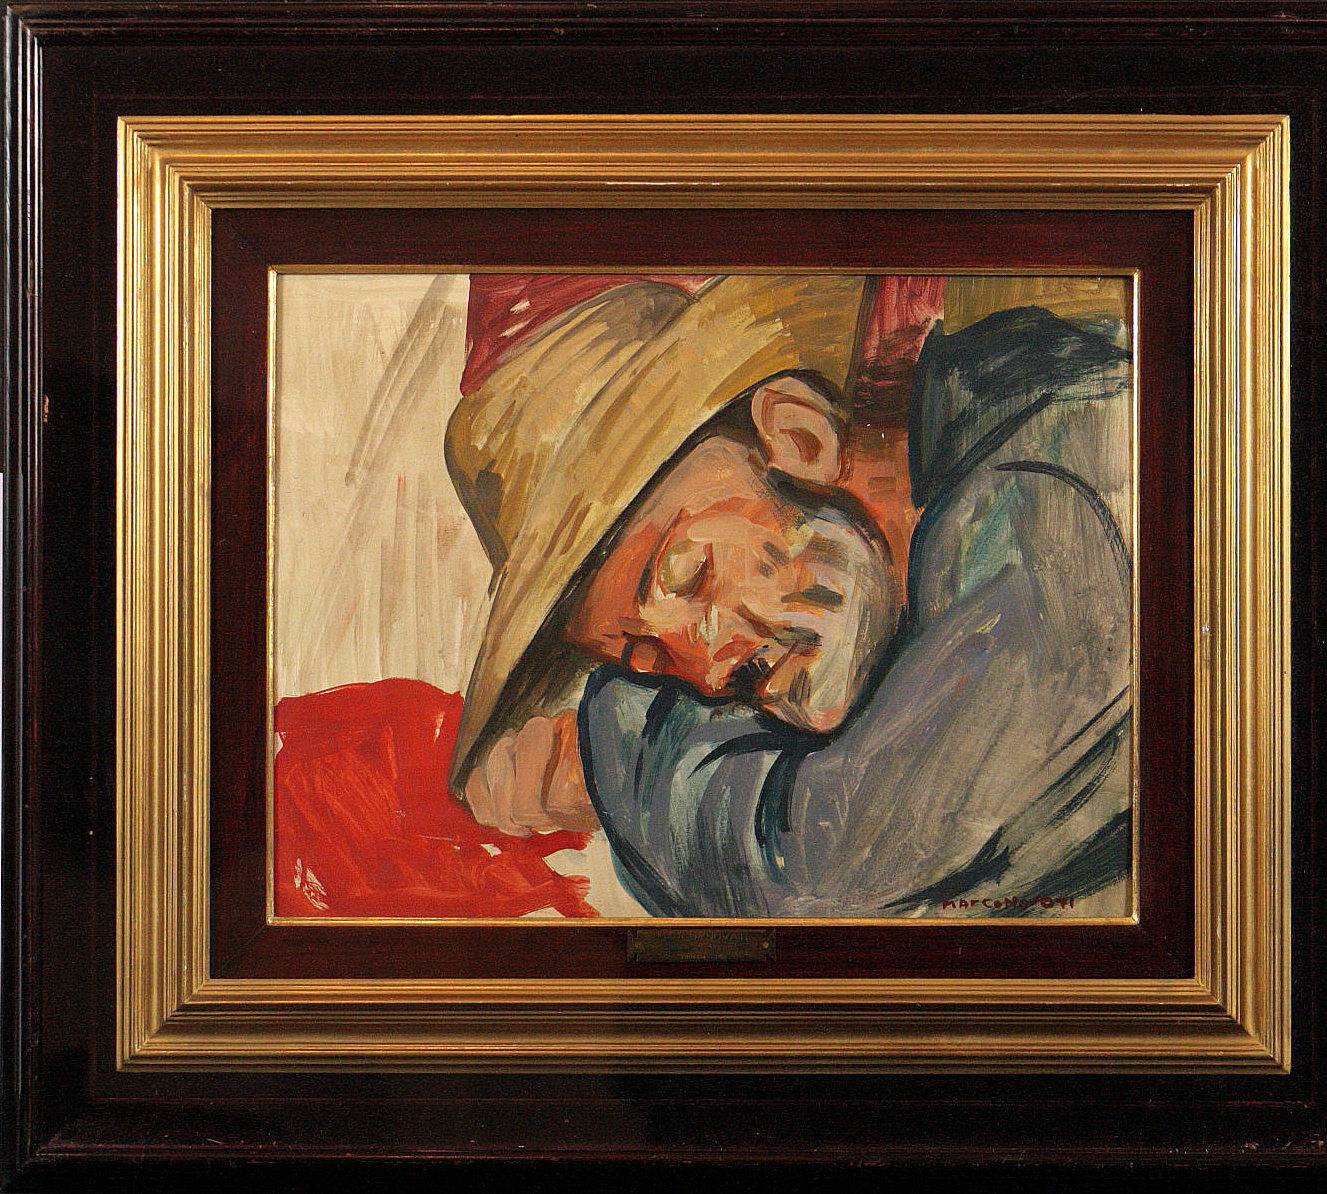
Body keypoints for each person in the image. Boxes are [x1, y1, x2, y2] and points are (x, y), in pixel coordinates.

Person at [445, 273, 1133, 917]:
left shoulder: (1058, 487)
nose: (710, 671)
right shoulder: (927, 578)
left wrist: (615, 750)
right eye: (645, 658)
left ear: (801, 437)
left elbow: (821, 860)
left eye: (688, 574)